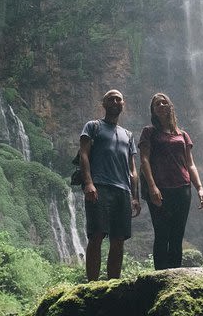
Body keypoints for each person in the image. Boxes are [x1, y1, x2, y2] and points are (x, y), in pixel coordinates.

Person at [139, 92, 203, 270]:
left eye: (164, 103)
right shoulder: (149, 132)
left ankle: (176, 275)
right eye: (157, 104)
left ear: (170, 107)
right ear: (153, 111)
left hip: (183, 189)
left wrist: (199, 187)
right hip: (160, 189)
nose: (161, 106)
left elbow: (190, 164)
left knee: (177, 235)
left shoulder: (183, 135)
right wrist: (152, 187)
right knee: (162, 234)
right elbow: (144, 160)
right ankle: (160, 276)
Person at [79, 89, 141, 281]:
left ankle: (113, 284)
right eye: (111, 99)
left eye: (118, 99)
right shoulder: (93, 126)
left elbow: (133, 169)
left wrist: (135, 197)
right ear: (104, 104)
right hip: (100, 186)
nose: (115, 101)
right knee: (96, 235)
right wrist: (88, 182)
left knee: (118, 239)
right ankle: (92, 284)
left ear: (123, 104)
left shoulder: (128, 135)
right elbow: (83, 154)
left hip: (123, 191)